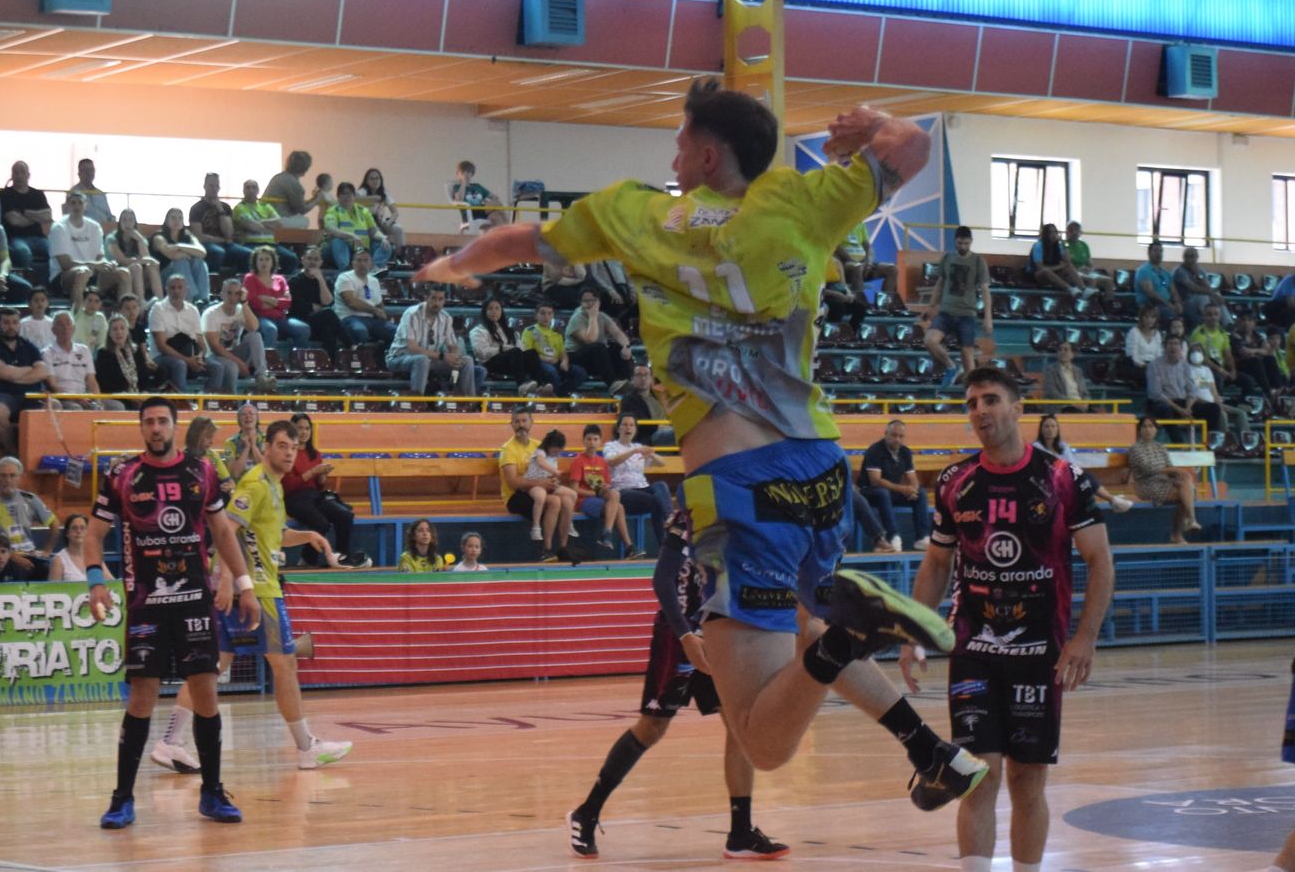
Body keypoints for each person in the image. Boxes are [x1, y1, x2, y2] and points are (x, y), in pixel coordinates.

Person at [416, 90, 981, 806]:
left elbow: (515, 242)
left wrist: (453, 265)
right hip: (820, 468)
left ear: (709, 156)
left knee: (762, 740)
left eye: (681, 141)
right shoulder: (801, 200)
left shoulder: (636, 213)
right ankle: (930, 751)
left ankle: (851, 637)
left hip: (742, 484)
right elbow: (913, 145)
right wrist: (866, 128)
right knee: (810, 623)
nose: (673, 153)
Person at [901, 366, 1115, 872]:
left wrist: (1085, 638)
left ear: (1018, 409)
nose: (980, 411)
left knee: (1026, 780)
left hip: (1040, 652)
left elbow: (1100, 562)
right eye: (972, 403)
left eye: (991, 400)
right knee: (978, 775)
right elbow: (937, 564)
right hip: (973, 649)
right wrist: (913, 633)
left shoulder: (1063, 479)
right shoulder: (954, 482)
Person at [568, 505, 789, 862]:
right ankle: (586, 812)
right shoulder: (691, 515)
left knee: (739, 728)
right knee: (651, 727)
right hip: (679, 636)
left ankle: (740, 832)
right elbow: (662, 580)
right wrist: (686, 635)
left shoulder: (746, 514)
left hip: (720, 636)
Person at [87, 397, 261, 828]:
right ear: (141, 428)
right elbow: (93, 534)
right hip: (145, 602)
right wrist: (95, 581)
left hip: (194, 600)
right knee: (142, 697)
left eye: (163, 421)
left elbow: (223, 532)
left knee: (205, 691)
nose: (156, 428)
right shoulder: (122, 474)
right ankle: (122, 799)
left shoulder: (201, 471)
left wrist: (244, 585)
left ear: (174, 426)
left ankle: (213, 792)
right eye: (149, 421)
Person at [215, 417, 354, 770]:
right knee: (283, 663)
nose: (290, 453)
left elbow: (274, 535)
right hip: (259, 587)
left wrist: (308, 535)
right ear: (266, 447)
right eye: (282, 446)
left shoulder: (275, 488)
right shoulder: (256, 483)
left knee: (218, 665)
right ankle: (306, 748)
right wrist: (229, 578)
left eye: (294, 448)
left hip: (259, 585)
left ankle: (171, 739)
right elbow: (227, 531)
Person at [284, 413, 367, 568]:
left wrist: (322, 476)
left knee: (345, 515)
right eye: (300, 428)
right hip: (294, 499)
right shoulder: (288, 453)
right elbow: (288, 486)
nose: (304, 432)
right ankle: (307, 561)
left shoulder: (315, 454)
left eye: (307, 428)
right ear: (292, 430)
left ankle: (342, 557)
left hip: (314, 497)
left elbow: (318, 486)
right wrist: (313, 472)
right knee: (321, 523)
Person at [498, 408, 576, 561]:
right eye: (517, 421)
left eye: (524, 421)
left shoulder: (539, 445)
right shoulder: (508, 449)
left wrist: (553, 481)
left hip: (538, 489)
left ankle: (563, 548)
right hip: (515, 496)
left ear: (531, 422)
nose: (521, 425)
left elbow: (549, 469)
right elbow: (512, 483)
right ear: (512, 424)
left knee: (567, 499)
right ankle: (546, 550)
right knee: (554, 501)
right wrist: (541, 482)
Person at [920, 224, 992, 386]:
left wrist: (988, 317)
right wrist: (931, 306)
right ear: (955, 241)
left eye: (966, 243)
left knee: (967, 353)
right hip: (946, 312)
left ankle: (972, 389)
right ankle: (951, 366)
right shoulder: (947, 258)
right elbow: (940, 283)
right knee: (929, 341)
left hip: (967, 314)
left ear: (971, 242)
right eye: (960, 243)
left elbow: (985, 290)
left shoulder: (978, 261)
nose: (963, 247)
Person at [386, 284, 483, 397]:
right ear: (426, 298)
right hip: (400, 358)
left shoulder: (445, 318)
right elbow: (412, 348)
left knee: (467, 361)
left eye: (440, 299)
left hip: (432, 359)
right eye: (433, 298)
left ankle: (465, 401)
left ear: (444, 301)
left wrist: (455, 359)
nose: (437, 303)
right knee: (422, 360)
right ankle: (418, 402)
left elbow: (453, 346)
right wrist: (442, 356)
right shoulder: (412, 314)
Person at [0, 306, 51, 456]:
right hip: (2, 395)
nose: (11, 326)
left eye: (14, 322)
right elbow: (3, 373)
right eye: (6, 322)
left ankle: (39, 452)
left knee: (55, 406)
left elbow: (43, 372)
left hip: (31, 395)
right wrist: (29, 370)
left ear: (19, 324)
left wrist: (14, 375)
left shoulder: (29, 347)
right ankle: (13, 453)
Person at [1032, 415, 1133, 512]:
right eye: (1046, 426)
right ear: (1041, 429)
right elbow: (1045, 467)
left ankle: (1111, 500)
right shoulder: (1036, 447)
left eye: (1053, 426)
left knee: (1085, 477)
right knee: (1083, 479)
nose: (1050, 429)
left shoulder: (1063, 446)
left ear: (1057, 429)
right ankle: (1112, 500)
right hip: (1047, 480)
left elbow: (1072, 464)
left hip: (1066, 477)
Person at [1125, 416, 1201, 543]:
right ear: (1139, 430)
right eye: (1144, 427)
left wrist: (1178, 476)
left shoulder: (1160, 447)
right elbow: (1148, 469)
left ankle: (1187, 524)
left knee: (1186, 483)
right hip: (1146, 485)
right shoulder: (1135, 449)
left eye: (1151, 426)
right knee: (1185, 494)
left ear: (1156, 429)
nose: (1148, 430)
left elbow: (1169, 466)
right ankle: (1184, 526)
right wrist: (1175, 471)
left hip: (1163, 482)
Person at [857, 420, 930, 552]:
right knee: (882, 493)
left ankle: (922, 538)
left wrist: (913, 489)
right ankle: (892, 536)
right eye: (894, 435)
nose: (897, 439)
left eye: (901, 436)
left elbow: (912, 478)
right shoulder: (875, 450)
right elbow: (875, 481)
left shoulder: (905, 452)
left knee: (921, 494)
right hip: (869, 492)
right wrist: (903, 489)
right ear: (886, 434)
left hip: (891, 492)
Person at [0, 455, 56, 577]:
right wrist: (15, 558)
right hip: (4, 558)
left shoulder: (30, 499)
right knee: (18, 572)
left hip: (30, 554)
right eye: (3, 475)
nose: (7, 480)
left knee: (52, 568)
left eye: (12, 475)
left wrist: (47, 551)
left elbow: (55, 524)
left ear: (20, 478)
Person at [602, 413, 674, 545]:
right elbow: (611, 461)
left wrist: (651, 454)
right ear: (618, 428)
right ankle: (664, 542)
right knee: (656, 502)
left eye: (631, 425)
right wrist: (633, 452)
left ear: (635, 429)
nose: (628, 428)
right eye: (624, 424)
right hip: (623, 491)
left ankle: (670, 519)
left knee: (661, 485)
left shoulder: (638, 446)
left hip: (642, 487)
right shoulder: (611, 446)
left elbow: (662, 463)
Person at [570, 423, 640, 559]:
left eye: (595, 439)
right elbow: (574, 489)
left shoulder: (602, 462)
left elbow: (607, 486)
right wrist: (595, 493)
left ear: (600, 441)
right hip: (584, 501)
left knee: (615, 495)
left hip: (600, 499)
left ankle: (610, 535)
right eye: (589, 439)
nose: (592, 443)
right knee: (618, 508)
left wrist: (604, 489)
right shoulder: (578, 461)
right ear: (583, 441)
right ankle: (627, 545)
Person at [50, 191, 129, 306]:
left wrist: (107, 264)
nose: (77, 206)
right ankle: (78, 313)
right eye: (73, 203)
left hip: (92, 273)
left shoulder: (94, 227)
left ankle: (124, 314)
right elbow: (65, 264)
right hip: (63, 277)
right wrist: (95, 265)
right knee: (83, 272)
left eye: (80, 203)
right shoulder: (59, 228)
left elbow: (100, 257)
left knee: (124, 273)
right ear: (67, 206)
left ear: (85, 205)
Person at [202, 276, 272, 395]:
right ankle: (232, 400)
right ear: (222, 295)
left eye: (237, 293)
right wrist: (239, 363)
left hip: (234, 351)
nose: (233, 297)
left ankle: (261, 376)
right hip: (213, 356)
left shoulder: (241, 310)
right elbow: (215, 347)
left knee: (255, 336)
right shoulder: (210, 313)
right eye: (229, 293)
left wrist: (244, 303)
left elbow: (254, 327)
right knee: (232, 366)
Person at [469, 296, 548, 396]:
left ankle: (540, 385)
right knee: (515, 352)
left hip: (512, 361)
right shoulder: (478, 331)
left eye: (497, 308)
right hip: (490, 363)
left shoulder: (508, 330)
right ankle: (522, 385)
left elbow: (521, 348)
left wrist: (515, 350)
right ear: (485, 311)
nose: (494, 311)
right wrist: (501, 349)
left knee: (531, 353)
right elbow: (481, 353)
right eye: (490, 309)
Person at [1147, 333, 1221, 439]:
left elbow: (1192, 391)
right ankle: (1179, 443)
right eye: (1170, 344)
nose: (1173, 346)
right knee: (1164, 409)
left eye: (1176, 344)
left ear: (1181, 348)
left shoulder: (1185, 366)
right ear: (1164, 347)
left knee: (1213, 408)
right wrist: (1180, 410)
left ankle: (1211, 443)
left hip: (1184, 403)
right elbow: (1156, 394)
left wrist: (1187, 408)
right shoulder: (1154, 365)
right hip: (1164, 403)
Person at [565, 287, 635, 392]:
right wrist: (592, 317)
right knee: (598, 347)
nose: (588, 304)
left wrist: (626, 346)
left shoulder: (602, 316)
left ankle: (625, 382)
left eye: (592, 300)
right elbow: (590, 340)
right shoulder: (577, 318)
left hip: (597, 358)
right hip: (575, 357)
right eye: (585, 301)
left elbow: (617, 333)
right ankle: (612, 383)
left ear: (598, 302)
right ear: (580, 302)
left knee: (617, 347)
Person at [288, 245, 348, 361]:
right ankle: (350, 345)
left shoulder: (326, 281)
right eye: (309, 258)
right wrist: (313, 307)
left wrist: (320, 280)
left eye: (316, 259)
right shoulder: (295, 281)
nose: (312, 262)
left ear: (321, 262)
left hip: (319, 321)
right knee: (328, 313)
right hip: (300, 320)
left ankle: (331, 363)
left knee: (328, 329)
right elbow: (296, 306)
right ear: (303, 260)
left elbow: (328, 302)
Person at [44, 310, 113, 410]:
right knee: (76, 408)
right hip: (63, 398)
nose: (65, 327)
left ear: (73, 328)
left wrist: (98, 401)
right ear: (53, 330)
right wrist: (76, 398)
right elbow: (53, 385)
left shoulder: (84, 350)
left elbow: (91, 381)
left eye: (68, 323)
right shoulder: (47, 353)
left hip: (85, 396)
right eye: (60, 324)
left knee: (116, 406)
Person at [189, 172, 254, 277]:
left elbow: (229, 233)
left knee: (248, 254)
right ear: (204, 186)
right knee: (218, 252)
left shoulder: (225, 207)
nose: (214, 189)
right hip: (206, 244)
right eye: (211, 185)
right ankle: (212, 283)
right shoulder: (196, 208)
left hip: (226, 245)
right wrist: (222, 240)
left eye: (217, 186)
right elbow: (199, 236)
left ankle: (242, 283)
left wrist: (220, 210)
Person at [244, 246, 311, 346]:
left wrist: (268, 300)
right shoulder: (250, 278)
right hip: (260, 317)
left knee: (304, 329)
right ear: (255, 262)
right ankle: (268, 356)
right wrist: (277, 303)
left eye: (267, 259)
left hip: (281, 318)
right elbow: (254, 301)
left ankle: (297, 355)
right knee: (271, 329)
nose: (264, 262)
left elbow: (287, 302)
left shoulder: (280, 279)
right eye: (260, 259)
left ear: (273, 262)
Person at [150, 274, 207, 391]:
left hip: (190, 354)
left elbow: (201, 342)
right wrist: (188, 361)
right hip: (162, 357)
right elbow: (161, 346)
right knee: (180, 365)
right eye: (172, 288)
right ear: (166, 290)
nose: (176, 291)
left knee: (219, 368)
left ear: (186, 289)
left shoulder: (193, 310)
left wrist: (200, 358)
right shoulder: (157, 309)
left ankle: (212, 400)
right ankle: (182, 401)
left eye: (180, 287)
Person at [0, 161, 54, 282]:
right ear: (12, 175)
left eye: (22, 172)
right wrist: (36, 217)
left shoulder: (38, 194)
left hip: (38, 237)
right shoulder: (5, 195)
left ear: (28, 175)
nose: (19, 176)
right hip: (15, 238)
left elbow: (48, 215)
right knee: (24, 253)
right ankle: (29, 286)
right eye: (16, 173)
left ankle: (47, 286)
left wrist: (24, 212)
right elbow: (14, 220)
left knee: (54, 251)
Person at [1188, 340, 1250, 446]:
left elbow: (1213, 390)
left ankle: (1247, 442)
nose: (1196, 353)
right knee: (1222, 414)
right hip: (1200, 405)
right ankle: (1226, 443)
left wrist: (1218, 403)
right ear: (1189, 354)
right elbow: (1190, 394)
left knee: (1241, 413)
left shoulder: (1206, 370)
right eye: (1193, 351)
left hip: (1214, 403)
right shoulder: (1186, 369)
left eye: (1199, 351)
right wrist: (1215, 405)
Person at [322, 181, 392, 271]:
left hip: (360, 251)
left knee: (385, 244)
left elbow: (373, 231)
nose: (346, 197)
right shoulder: (333, 211)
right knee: (338, 242)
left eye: (349, 194)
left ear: (354, 196)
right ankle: (346, 271)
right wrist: (351, 236)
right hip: (336, 252)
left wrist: (383, 238)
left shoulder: (363, 211)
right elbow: (331, 229)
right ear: (338, 197)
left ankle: (373, 269)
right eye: (343, 194)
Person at [232, 179, 299, 273]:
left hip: (271, 244)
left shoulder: (265, 205)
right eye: (248, 188)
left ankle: (278, 281)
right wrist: (269, 227)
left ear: (258, 190)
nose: (251, 190)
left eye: (254, 187)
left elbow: (279, 223)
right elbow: (253, 227)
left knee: (291, 258)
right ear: (243, 191)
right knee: (248, 256)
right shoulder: (239, 208)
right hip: (251, 244)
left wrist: (259, 222)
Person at [521, 301, 586, 397]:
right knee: (552, 372)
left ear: (553, 316)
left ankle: (561, 393)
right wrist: (546, 359)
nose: (546, 316)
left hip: (556, 362)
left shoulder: (556, 333)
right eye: (543, 313)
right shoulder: (529, 331)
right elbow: (528, 353)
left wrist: (564, 361)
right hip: (539, 363)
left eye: (549, 313)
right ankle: (552, 398)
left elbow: (562, 352)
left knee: (580, 373)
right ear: (536, 315)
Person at [333, 249, 395, 345]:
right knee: (360, 331)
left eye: (366, 260)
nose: (362, 263)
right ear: (353, 263)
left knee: (396, 332)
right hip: (348, 317)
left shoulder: (374, 281)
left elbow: (378, 304)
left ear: (371, 264)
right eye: (359, 260)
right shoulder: (344, 278)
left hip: (371, 319)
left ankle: (381, 354)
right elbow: (352, 302)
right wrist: (375, 310)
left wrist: (382, 314)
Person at [151, 207, 211, 302]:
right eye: (173, 218)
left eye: (180, 218)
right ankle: (189, 299)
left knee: (199, 261)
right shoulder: (159, 237)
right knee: (181, 262)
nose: (177, 221)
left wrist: (179, 246)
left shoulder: (188, 236)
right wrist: (188, 253)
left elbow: (202, 252)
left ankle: (203, 299)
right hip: (165, 276)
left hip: (186, 273)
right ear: (166, 221)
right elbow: (171, 255)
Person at [106, 208, 164, 303]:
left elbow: (147, 257)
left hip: (138, 273)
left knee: (152, 266)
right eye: (124, 220)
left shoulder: (139, 238)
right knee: (136, 267)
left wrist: (139, 240)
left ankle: (160, 301)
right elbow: (122, 261)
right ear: (120, 222)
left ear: (135, 222)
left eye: (130, 220)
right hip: (116, 271)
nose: (127, 223)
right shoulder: (112, 238)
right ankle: (140, 301)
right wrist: (142, 260)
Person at [96, 314, 161, 396]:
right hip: (118, 395)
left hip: (139, 394)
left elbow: (144, 376)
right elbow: (105, 382)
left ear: (127, 331)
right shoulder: (103, 353)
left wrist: (144, 391)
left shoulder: (136, 350)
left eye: (122, 328)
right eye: (115, 329)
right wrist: (128, 396)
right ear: (109, 333)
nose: (119, 332)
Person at [1025, 223, 1089, 299]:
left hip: (1054, 273)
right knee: (1046, 271)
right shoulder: (1038, 245)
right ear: (1045, 234)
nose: (1053, 235)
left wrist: (1064, 244)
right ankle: (1070, 289)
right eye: (1050, 232)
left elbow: (1068, 262)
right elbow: (1040, 268)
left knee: (1069, 267)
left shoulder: (1058, 246)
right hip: (1037, 275)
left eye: (1055, 232)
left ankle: (1083, 289)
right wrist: (1060, 266)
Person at [1173, 245, 1230, 330]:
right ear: (1183, 258)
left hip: (1198, 300)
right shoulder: (1179, 271)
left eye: (1192, 256)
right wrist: (1212, 294)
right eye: (1187, 256)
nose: (1189, 259)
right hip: (1186, 301)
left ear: (1197, 257)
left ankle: (1228, 323)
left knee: (1217, 295)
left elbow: (1207, 287)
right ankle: (1208, 322)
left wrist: (1198, 276)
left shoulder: (1200, 271)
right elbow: (1192, 287)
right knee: (1204, 297)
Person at [618, 364, 676, 446]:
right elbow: (638, 424)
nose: (643, 378)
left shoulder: (658, 396)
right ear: (632, 379)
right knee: (677, 433)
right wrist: (659, 427)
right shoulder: (628, 400)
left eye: (646, 375)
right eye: (639, 375)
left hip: (667, 430)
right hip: (648, 437)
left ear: (651, 378)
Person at [1232, 312, 1284, 402]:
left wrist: (1253, 351)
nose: (1246, 323)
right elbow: (1243, 352)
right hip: (1239, 366)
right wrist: (1259, 351)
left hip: (1255, 365)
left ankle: (1279, 389)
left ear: (1254, 323)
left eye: (1249, 320)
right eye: (1243, 320)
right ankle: (1268, 392)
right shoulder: (1235, 335)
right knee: (1256, 361)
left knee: (1270, 359)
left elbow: (1268, 351)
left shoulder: (1257, 336)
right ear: (1238, 322)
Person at [1061, 221, 1115, 305]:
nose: (1074, 233)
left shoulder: (1084, 245)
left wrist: (1088, 269)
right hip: (1072, 274)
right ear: (1066, 232)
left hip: (1085, 272)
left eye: (1076, 230)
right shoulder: (1064, 244)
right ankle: (1086, 305)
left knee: (1108, 281)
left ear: (1080, 232)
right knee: (1091, 280)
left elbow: (1090, 264)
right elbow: (1066, 263)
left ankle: (1108, 306)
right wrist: (1078, 270)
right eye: (1071, 230)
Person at [48, 513, 110, 582]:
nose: (79, 531)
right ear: (67, 533)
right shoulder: (58, 560)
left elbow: (112, 582)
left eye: (82, 528)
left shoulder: (95, 557)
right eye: (74, 528)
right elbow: (53, 588)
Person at [263, 149, 317, 227]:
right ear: (305, 168)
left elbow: (298, 204)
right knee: (305, 220)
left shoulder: (277, 177)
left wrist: (314, 199)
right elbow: (301, 210)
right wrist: (317, 200)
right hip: (279, 219)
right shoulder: (294, 183)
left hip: (265, 217)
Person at [450, 159, 508, 230]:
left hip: (483, 211)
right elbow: (459, 199)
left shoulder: (477, 186)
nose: (466, 175)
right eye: (463, 172)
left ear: (472, 174)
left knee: (498, 215)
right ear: (458, 174)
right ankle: (509, 231)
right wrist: (464, 183)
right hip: (471, 213)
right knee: (498, 207)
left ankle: (506, 233)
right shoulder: (457, 187)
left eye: (469, 172)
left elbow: (494, 197)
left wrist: (486, 201)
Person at [358, 167, 406, 251]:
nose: (375, 181)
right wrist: (373, 199)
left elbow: (395, 213)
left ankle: (399, 255)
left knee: (398, 229)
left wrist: (388, 223)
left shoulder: (384, 193)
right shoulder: (362, 192)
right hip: (366, 223)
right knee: (376, 232)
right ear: (366, 181)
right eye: (372, 178)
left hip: (381, 222)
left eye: (377, 178)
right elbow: (355, 200)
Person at [1135, 240, 1182, 324]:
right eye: (1155, 250)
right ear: (1149, 253)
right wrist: (1169, 305)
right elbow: (1150, 293)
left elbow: (1173, 291)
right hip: (1149, 306)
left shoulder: (1165, 273)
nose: (1158, 254)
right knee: (1169, 315)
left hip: (1166, 305)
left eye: (1161, 251)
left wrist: (1177, 303)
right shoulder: (1144, 271)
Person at [1038, 340, 1093, 412]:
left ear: (1073, 354)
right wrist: (1072, 402)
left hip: (1080, 405)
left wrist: (1086, 403)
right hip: (1063, 406)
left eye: (1066, 350)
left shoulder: (1078, 371)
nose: (1062, 352)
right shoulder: (1051, 370)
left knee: (1097, 415)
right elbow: (1051, 392)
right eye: (1060, 350)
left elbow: (1085, 393)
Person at [1121, 303, 1163, 387]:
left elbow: (1159, 355)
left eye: (1152, 317)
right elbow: (1133, 356)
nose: (1149, 320)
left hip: (1153, 366)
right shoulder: (1134, 332)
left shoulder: (1157, 334)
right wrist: (1145, 366)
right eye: (1146, 317)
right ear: (1141, 318)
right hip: (1137, 366)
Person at [224, 402, 265, 483]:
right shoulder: (230, 443)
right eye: (244, 414)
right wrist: (246, 448)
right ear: (238, 420)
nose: (248, 417)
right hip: (240, 486)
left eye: (251, 413)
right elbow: (235, 473)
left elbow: (267, 470)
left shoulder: (267, 440)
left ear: (257, 418)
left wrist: (254, 446)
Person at [64, 158, 114, 225]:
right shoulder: (73, 193)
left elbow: (109, 216)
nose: (89, 173)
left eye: (91, 170)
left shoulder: (100, 194)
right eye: (85, 170)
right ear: (79, 173)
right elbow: (69, 218)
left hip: (104, 228)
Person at [71, 287, 108, 351]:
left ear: (100, 304)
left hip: (93, 354)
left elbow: (101, 342)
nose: (93, 304)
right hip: (75, 351)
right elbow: (78, 295)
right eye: (90, 300)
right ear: (83, 301)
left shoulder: (100, 317)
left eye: (97, 301)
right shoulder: (78, 313)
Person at [19, 286, 55, 351]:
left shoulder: (52, 323)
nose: (40, 303)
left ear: (47, 303)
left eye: (43, 300)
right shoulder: (23, 323)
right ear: (29, 304)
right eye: (36, 300)